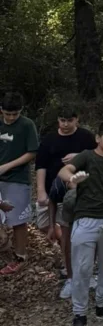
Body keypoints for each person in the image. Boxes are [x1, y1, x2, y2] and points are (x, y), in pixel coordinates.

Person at [57, 120, 103, 326]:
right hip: (85, 218)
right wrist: (73, 178)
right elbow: (64, 171)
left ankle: (102, 304)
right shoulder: (87, 156)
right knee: (82, 267)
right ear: (98, 138)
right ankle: (79, 314)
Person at [35, 106, 96, 296]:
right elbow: (41, 166)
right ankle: (71, 275)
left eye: (69, 120)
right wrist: (41, 190)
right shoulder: (49, 140)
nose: (66, 124)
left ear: (77, 119)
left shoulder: (86, 137)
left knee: (87, 237)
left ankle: (86, 273)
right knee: (56, 231)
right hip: (56, 192)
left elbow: (99, 158)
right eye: (62, 120)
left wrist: (78, 156)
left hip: (84, 193)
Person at [0, 92, 38, 275]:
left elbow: (32, 152)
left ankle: (20, 256)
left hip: (17, 178)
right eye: (7, 114)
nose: (11, 118)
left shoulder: (26, 125)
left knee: (17, 219)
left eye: (15, 114)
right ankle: (5, 244)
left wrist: (7, 166)